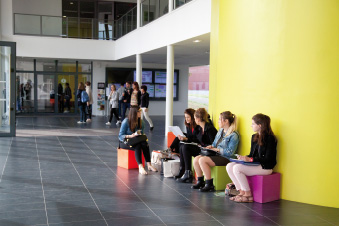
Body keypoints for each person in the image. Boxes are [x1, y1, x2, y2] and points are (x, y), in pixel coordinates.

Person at [226, 113, 277, 203]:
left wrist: (251, 159)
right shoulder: (254, 137)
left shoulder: (270, 139)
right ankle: (241, 191)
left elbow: (268, 158)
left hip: (265, 167)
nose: (251, 126)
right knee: (229, 166)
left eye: (253, 124)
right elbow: (251, 155)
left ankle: (248, 194)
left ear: (260, 125)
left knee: (237, 168)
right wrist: (243, 157)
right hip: (256, 164)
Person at [192, 111, 239, 192]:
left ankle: (209, 184)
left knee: (202, 160)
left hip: (225, 157)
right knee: (196, 159)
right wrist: (211, 147)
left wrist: (216, 149)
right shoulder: (220, 131)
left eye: (220, 119)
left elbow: (230, 152)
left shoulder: (234, 135)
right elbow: (214, 143)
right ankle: (200, 181)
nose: (218, 121)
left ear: (226, 121)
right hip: (216, 154)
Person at [177, 108, 218, 183]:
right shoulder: (200, 128)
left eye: (195, 118)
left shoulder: (210, 129)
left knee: (186, 147)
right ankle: (188, 173)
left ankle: (189, 173)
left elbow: (214, 143)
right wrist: (185, 139)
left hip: (208, 151)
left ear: (198, 119)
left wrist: (206, 146)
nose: (194, 120)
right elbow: (196, 139)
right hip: (203, 149)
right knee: (183, 145)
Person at [118, 106, 158, 175]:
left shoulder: (141, 122)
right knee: (138, 146)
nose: (140, 113)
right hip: (125, 141)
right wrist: (131, 136)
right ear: (134, 113)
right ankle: (140, 167)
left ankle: (149, 164)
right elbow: (120, 136)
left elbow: (141, 133)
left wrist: (139, 134)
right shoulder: (126, 121)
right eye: (139, 112)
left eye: (140, 111)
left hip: (135, 140)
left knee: (145, 143)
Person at [168, 108, 199, 179]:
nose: (186, 119)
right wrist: (183, 135)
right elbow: (190, 135)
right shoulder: (188, 125)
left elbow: (196, 139)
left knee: (183, 146)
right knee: (179, 140)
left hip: (195, 145)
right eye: (185, 117)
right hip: (191, 142)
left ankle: (187, 171)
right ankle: (182, 169)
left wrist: (186, 138)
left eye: (188, 117)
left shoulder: (197, 126)